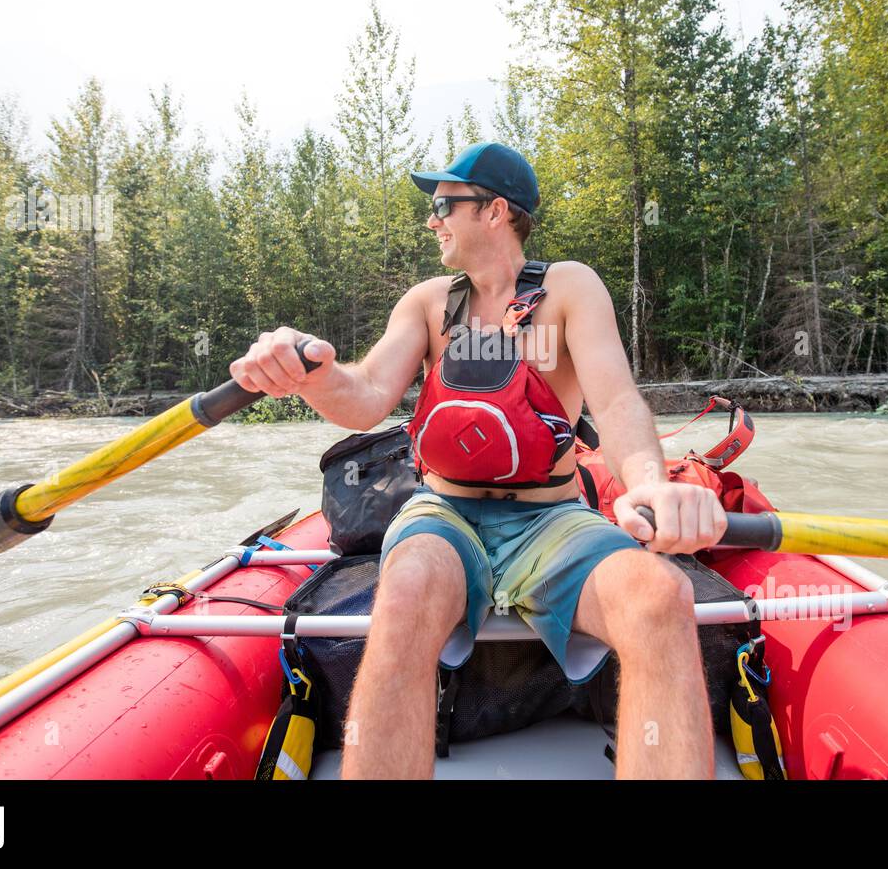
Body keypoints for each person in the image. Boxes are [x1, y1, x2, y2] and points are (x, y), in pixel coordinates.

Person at [229, 142, 727, 778]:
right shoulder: (428, 302)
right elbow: (364, 398)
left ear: (495, 211)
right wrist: (312, 372)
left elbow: (618, 398)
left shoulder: (569, 289)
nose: (432, 219)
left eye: (444, 204)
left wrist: (651, 484)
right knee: (405, 592)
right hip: (445, 512)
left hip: (551, 521)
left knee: (661, 597)